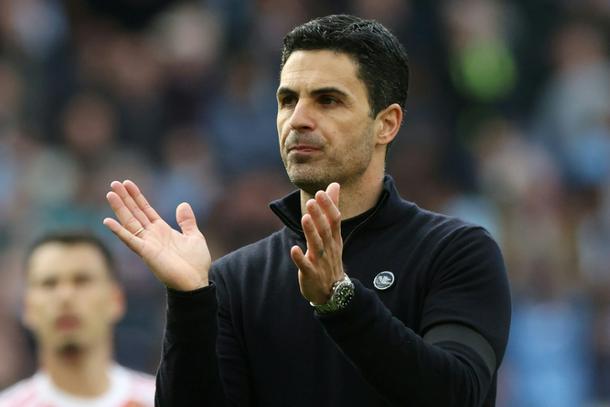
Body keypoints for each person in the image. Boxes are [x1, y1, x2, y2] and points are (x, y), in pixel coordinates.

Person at [103, 14, 511, 406]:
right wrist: (190, 302)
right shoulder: (236, 280)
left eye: (328, 100)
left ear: (386, 124)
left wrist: (340, 301)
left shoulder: (457, 252)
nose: (298, 119)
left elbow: (457, 394)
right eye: (287, 100)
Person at [0, 231, 155, 407]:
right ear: (28, 307)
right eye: (49, 283)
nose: (65, 296)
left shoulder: (161, 400)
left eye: (82, 281)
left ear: (116, 300)